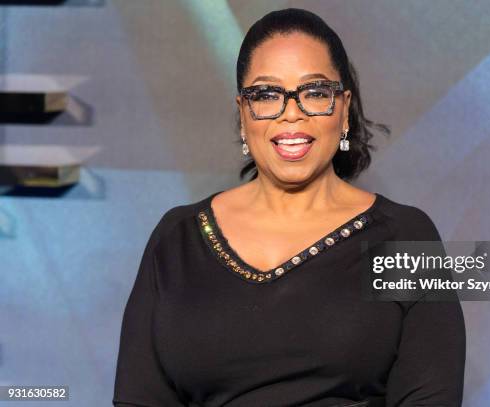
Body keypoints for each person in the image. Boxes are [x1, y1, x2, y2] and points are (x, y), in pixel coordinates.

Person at [113, 8, 465, 407]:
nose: (291, 113)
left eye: (315, 93)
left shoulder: (405, 236)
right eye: (266, 95)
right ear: (244, 113)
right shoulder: (176, 238)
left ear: (344, 108)